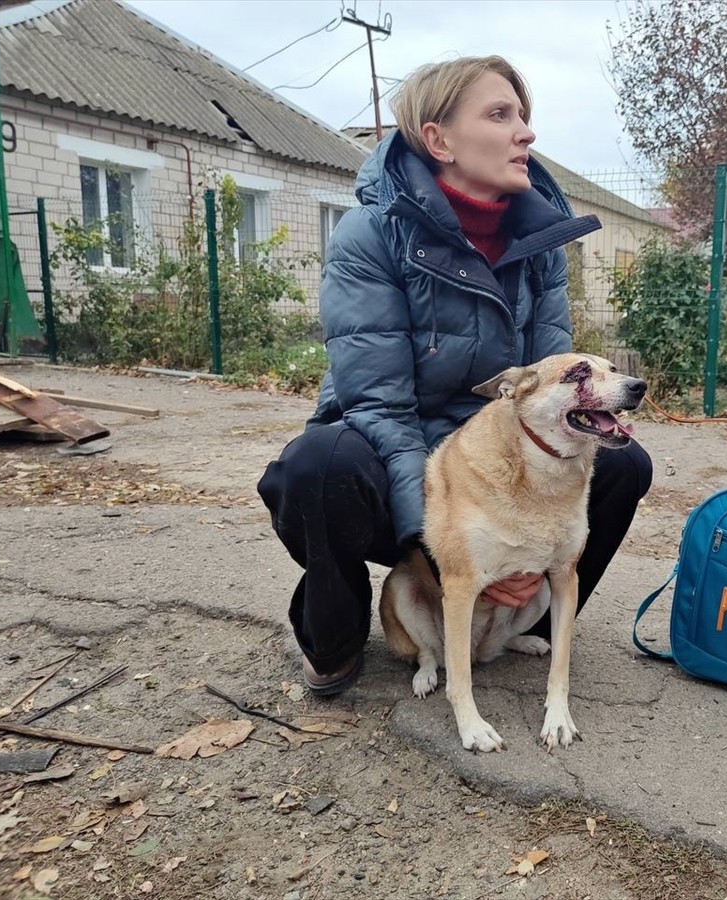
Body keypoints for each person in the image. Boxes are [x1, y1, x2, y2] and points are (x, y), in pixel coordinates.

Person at [257, 56, 653, 695]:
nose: (525, 133)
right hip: (391, 455)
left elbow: (553, 393)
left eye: (524, 117)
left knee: (624, 464)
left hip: (490, 453)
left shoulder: (543, 242)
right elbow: (379, 408)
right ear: (437, 139)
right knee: (317, 464)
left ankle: (533, 614)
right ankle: (333, 633)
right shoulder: (370, 236)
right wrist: (448, 549)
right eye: (501, 115)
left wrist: (534, 540)